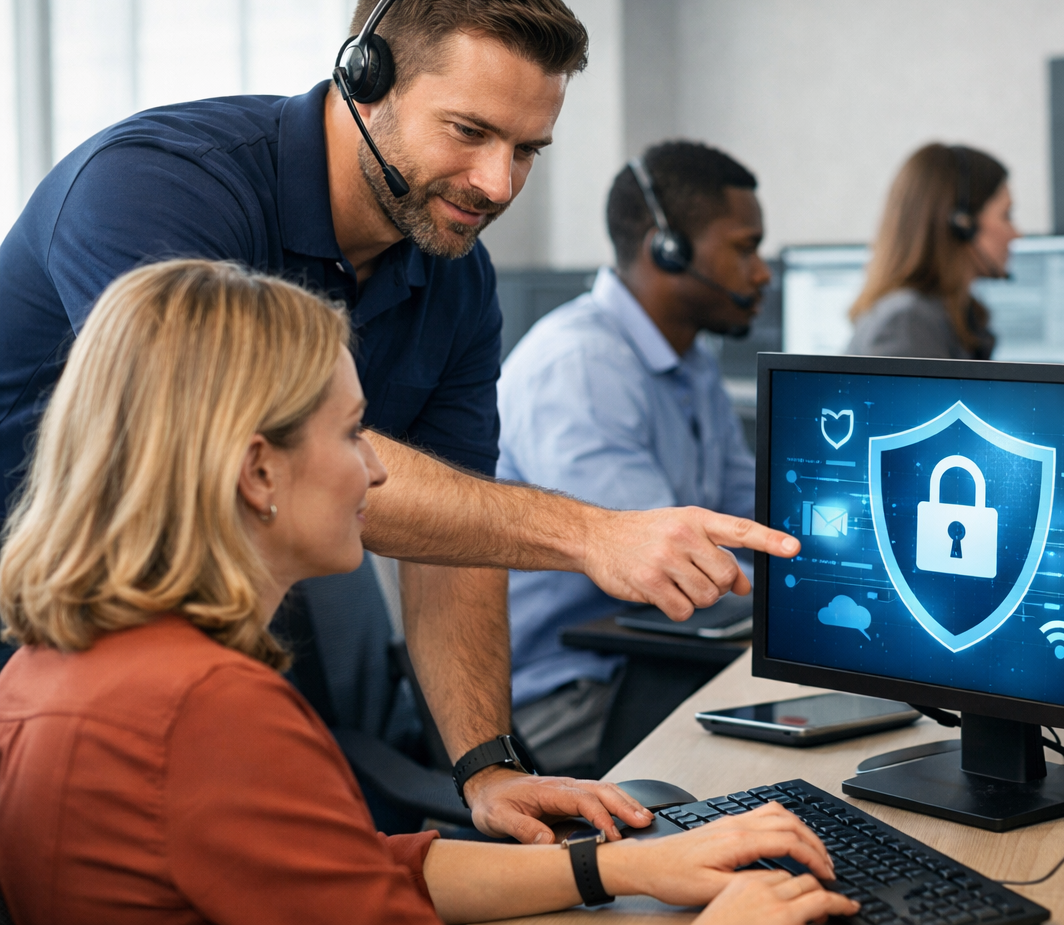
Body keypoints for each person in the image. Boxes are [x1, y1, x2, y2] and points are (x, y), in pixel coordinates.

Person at [0, 0, 798, 843]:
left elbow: (458, 533)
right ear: (363, 76)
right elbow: (234, 456)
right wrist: (590, 534)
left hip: (204, 625)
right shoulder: (160, 188)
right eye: (469, 132)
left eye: (527, 149)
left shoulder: (453, 273)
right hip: (43, 613)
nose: (499, 184)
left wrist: (487, 768)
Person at [0, 259, 856, 925]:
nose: (377, 471)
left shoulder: (53, 667)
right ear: (258, 470)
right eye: (350, 434)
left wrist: (618, 866)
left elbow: (358, 869)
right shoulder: (208, 711)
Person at [497, 141, 766, 774]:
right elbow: (670, 569)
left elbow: (747, 514)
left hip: (657, 660)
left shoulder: (690, 362)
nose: (762, 273)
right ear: (665, 248)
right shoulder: (583, 367)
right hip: (567, 693)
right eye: (744, 248)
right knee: (775, 767)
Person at [846, 143, 1020, 359]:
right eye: (1006, 215)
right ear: (962, 225)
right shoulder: (907, 324)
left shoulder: (953, 316)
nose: (1016, 234)